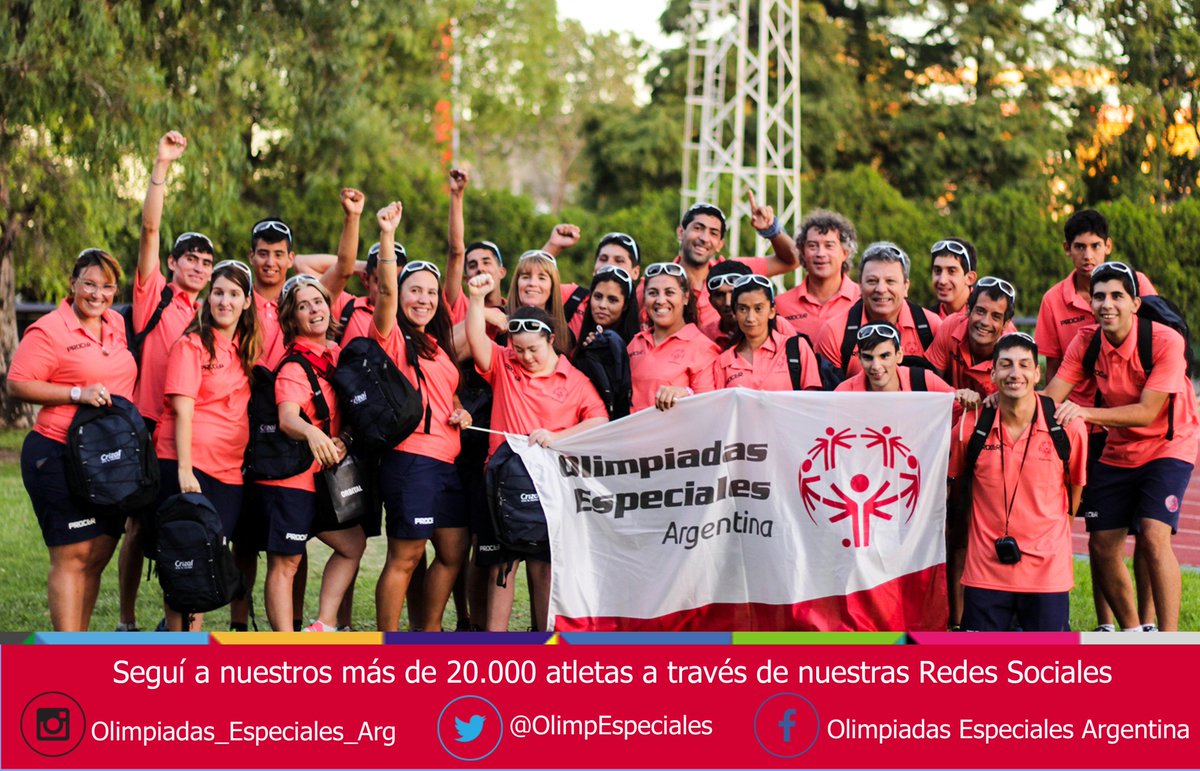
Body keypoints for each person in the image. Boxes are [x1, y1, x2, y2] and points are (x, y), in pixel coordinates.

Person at [1045, 261, 1199, 632]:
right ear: (1091, 304)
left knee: (1153, 533)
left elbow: (1146, 413)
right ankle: (1134, 633)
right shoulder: (1087, 341)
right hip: (1119, 447)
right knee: (1101, 544)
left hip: (1168, 443)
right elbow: (1050, 398)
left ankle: (1169, 639)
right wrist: (1002, 400)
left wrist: (1085, 412)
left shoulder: (1166, 341)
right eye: (1099, 297)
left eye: (1117, 296)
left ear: (1135, 303)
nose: (1107, 304)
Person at [1034, 209, 1157, 632]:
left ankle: (1148, 623)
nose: (1087, 255)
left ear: (1108, 247)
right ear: (1067, 250)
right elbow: (1053, 372)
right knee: (1099, 529)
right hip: (1082, 427)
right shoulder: (1054, 300)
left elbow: (1153, 344)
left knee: (1147, 532)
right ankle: (1106, 623)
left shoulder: (1136, 284)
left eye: (1094, 246)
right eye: (1079, 247)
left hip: (1134, 424)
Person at [465, 272, 608, 631]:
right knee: (501, 565)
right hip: (501, 482)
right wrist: (476, 300)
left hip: (550, 488)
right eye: (519, 348)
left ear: (551, 340)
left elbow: (599, 420)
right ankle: (495, 641)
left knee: (544, 566)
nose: (525, 356)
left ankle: (543, 638)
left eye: (533, 349)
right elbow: (476, 340)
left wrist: (558, 435)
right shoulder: (504, 363)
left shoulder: (574, 379)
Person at [9, 249, 138, 631]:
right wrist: (76, 393)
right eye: (89, 284)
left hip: (109, 459)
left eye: (107, 287)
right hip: (58, 453)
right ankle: (66, 653)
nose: (98, 294)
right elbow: (18, 383)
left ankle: (78, 646)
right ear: (73, 283)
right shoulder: (49, 329)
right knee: (72, 556)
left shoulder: (116, 323)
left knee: (97, 554)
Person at [118, 130, 213, 633]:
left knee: (187, 527)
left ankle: (181, 622)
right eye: (189, 259)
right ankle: (127, 620)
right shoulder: (153, 294)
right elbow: (150, 227)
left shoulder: (211, 315)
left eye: (206, 263)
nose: (197, 267)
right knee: (138, 528)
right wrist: (161, 165)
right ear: (173, 263)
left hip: (188, 434)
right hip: (146, 429)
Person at [371, 202, 473, 632]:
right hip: (411, 459)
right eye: (415, 290)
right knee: (407, 555)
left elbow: (445, 393)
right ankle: (389, 644)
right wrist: (387, 235)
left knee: (454, 550)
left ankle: (426, 634)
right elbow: (387, 293)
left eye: (431, 293)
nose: (425, 299)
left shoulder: (437, 345)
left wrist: (460, 409)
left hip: (447, 462)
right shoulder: (392, 336)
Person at [948, 333, 1087, 631]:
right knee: (979, 661)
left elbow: (1074, 492)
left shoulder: (1067, 426)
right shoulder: (971, 426)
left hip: (1047, 574)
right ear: (993, 373)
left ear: (1037, 374)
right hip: (985, 572)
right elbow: (956, 488)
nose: (1015, 373)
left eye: (1024, 365)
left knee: (1047, 660)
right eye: (1006, 364)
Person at [154, 260, 262, 630]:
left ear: (247, 302)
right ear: (208, 298)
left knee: (208, 560)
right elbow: (183, 411)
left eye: (234, 294)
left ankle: (179, 637)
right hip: (188, 467)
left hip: (229, 473)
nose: (224, 301)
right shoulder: (191, 345)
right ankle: (180, 647)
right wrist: (185, 471)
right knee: (186, 561)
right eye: (218, 292)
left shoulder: (246, 348)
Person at [258, 274, 366, 632]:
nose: (313, 310)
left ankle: (325, 624)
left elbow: (347, 412)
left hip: (323, 479)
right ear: (292, 319)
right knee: (285, 562)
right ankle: (285, 646)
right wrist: (313, 433)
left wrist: (344, 438)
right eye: (303, 306)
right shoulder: (293, 366)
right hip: (291, 480)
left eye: (318, 301)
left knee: (352, 545)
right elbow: (288, 418)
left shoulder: (335, 353)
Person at [925, 276, 1019, 628]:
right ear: (967, 310)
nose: (985, 321)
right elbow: (924, 381)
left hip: (997, 448)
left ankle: (1006, 617)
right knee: (955, 531)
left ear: (1006, 322)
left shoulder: (1011, 348)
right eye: (980, 311)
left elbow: (1020, 402)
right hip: (950, 442)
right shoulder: (950, 327)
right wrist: (954, 393)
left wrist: (996, 399)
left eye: (996, 316)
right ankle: (956, 621)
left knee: (996, 533)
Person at [662, 195, 801, 336]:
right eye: (698, 228)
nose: (704, 238)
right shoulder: (658, 282)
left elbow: (793, 260)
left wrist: (772, 231)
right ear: (681, 232)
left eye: (713, 233)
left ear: (720, 244)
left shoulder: (738, 271)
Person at [815, 242, 942, 378]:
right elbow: (829, 390)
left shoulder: (931, 326)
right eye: (872, 281)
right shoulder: (834, 333)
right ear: (860, 286)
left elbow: (946, 386)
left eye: (890, 281)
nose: (881, 289)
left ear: (906, 287)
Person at [628, 262, 721, 412]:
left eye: (669, 293)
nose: (660, 300)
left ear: (685, 297)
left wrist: (686, 393)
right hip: (633, 428)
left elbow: (710, 407)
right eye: (653, 293)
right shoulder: (635, 343)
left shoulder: (703, 348)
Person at [713, 275, 821, 391]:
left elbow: (811, 398)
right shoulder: (724, 361)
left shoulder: (797, 348)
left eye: (758, 309)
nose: (750, 318)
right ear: (735, 313)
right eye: (743, 309)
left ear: (772, 311)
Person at [774, 209, 861, 340]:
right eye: (813, 246)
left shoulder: (863, 300)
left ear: (845, 253)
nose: (820, 253)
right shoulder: (781, 305)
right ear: (803, 252)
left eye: (829, 246)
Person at [542, 225, 642, 338]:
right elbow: (533, 286)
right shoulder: (572, 296)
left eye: (619, 261)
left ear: (636, 272)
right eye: (603, 259)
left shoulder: (644, 310)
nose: (609, 265)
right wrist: (553, 246)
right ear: (594, 268)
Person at [833, 322, 954, 394]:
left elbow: (959, 413)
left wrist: (963, 399)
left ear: (899, 355)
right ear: (859, 358)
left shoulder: (925, 381)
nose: (876, 366)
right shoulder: (843, 393)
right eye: (868, 357)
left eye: (884, 356)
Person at [575, 265, 641, 349]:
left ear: (625, 305)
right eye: (598, 297)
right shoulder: (581, 337)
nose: (602, 305)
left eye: (612, 300)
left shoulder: (637, 348)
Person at [701, 260, 753, 347]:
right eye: (719, 295)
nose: (728, 302)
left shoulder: (775, 329)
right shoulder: (703, 336)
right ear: (711, 301)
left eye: (734, 293)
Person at [928, 238, 977, 318]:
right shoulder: (925, 320)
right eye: (938, 270)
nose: (942, 281)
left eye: (951, 271)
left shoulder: (986, 318)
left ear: (970, 278)